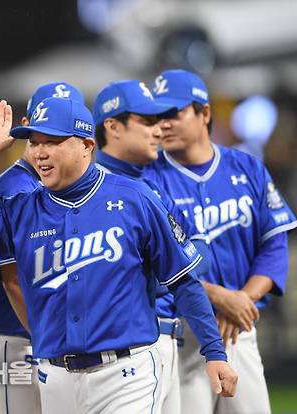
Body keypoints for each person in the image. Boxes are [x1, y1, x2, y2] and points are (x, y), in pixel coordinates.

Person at [0, 99, 238, 414]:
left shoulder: (135, 198)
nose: (39, 152)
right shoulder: (21, 209)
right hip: (54, 376)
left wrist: (214, 352)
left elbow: (184, 282)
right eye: (34, 142)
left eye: (52, 142)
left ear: (86, 145)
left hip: (126, 372)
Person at [146, 69, 297, 414]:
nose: (164, 123)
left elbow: (273, 246)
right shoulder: (149, 178)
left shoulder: (247, 167)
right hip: (180, 332)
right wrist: (219, 297)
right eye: (157, 116)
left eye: (174, 113)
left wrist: (242, 299)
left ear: (204, 114)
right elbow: (153, 265)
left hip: (239, 326)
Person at [92, 79, 211, 413]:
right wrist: (164, 266)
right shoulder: (90, 189)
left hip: (167, 337)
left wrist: (159, 270)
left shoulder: (153, 182)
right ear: (113, 126)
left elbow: (201, 250)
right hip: (122, 348)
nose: (160, 129)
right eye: (147, 120)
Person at [0, 81, 83, 414]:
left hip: (57, 346)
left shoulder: (70, 189)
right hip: (20, 343)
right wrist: (53, 343)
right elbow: (14, 281)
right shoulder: (14, 187)